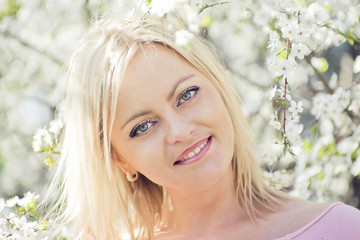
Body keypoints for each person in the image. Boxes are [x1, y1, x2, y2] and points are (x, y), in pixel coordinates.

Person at [45, 11, 360, 240]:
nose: (180, 131)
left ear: (220, 87)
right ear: (120, 158)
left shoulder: (341, 230)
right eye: (143, 127)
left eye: (187, 95)